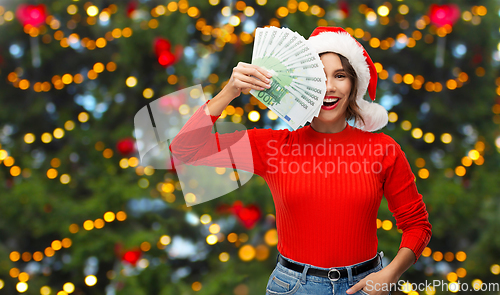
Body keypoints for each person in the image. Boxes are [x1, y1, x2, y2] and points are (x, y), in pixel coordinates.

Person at [169, 27, 432, 295]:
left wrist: (390, 273)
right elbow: (184, 149)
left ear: (353, 85)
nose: (329, 87)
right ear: (303, 83)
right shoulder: (272, 147)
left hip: (366, 286)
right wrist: (229, 92)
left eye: (339, 76)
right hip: (294, 287)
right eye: (319, 77)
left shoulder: (384, 150)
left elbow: (417, 224)